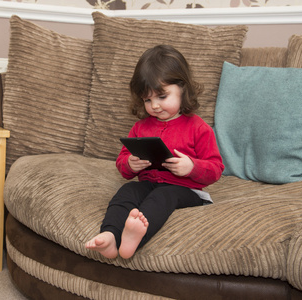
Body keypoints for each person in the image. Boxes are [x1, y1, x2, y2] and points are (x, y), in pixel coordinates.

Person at [85, 45, 224, 259]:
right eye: (147, 100)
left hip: (186, 191)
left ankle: (135, 237)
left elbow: (215, 169)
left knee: (163, 195)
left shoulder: (198, 127)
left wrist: (191, 167)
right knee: (127, 191)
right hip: (148, 184)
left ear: (183, 89)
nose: (155, 106)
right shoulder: (140, 127)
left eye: (161, 96)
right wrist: (130, 164)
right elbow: (122, 164)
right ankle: (111, 235)